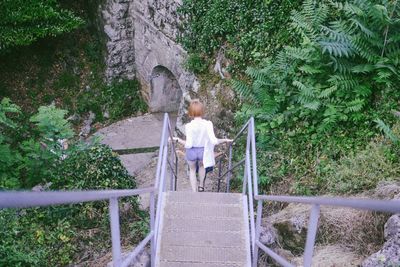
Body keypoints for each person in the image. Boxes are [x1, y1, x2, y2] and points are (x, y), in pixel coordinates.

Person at [173, 99, 232, 192]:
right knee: (201, 167)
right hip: (203, 152)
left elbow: (188, 144)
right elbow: (214, 141)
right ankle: (201, 186)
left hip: (191, 152)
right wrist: (225, 140)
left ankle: (194, 191)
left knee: (192, 170)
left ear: (191, 112)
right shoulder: (208, 124)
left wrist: (178, 140)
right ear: (202, 111)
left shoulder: (188, 126)